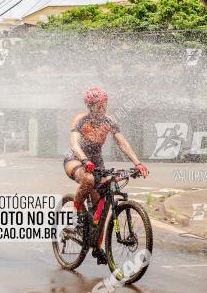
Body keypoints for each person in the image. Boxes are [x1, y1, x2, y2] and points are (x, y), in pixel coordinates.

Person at [64, 87, 149, 264]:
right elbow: (74, 144)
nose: (102, 108)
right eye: (98, 106)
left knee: (102, 205)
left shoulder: (109, 121)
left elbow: (122, 142)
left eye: (104, 104)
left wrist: (137, 163)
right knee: (88, 179)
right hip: (77, 160)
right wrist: (84, 160)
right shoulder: (81, 120)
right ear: (89, 106)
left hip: (96, 164)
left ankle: (96, 246)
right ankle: (77, 209)